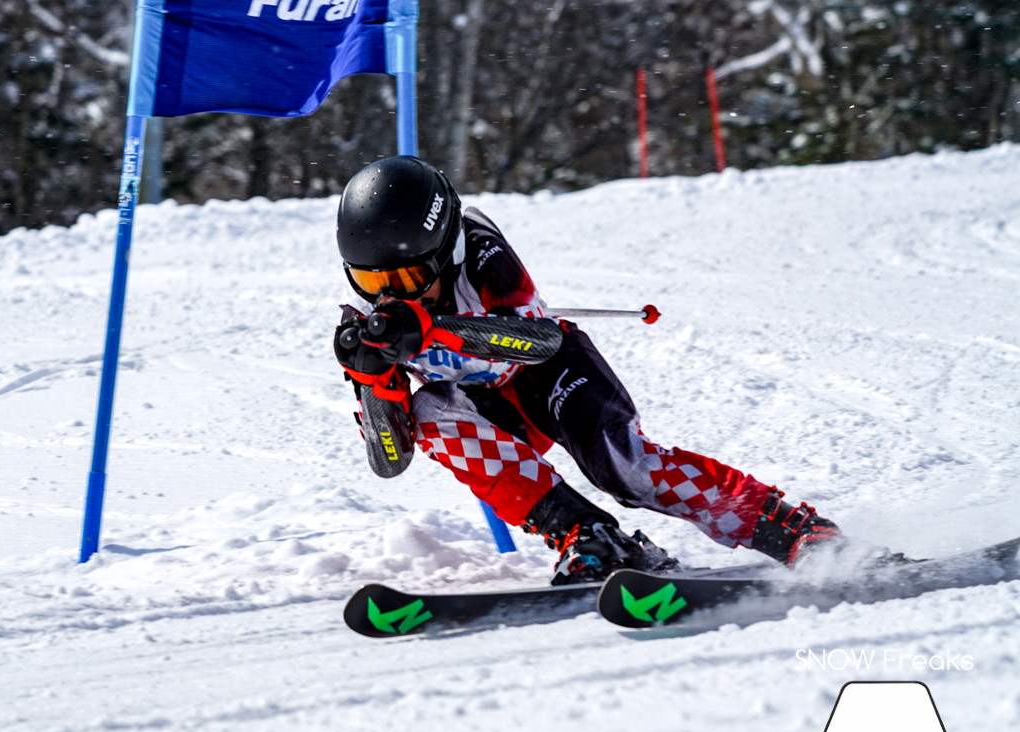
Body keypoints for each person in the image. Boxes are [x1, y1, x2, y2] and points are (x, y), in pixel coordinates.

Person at [332, 155, 847, 585]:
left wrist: (432, 327)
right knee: (429, 409)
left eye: (408, 274)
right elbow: (390, 459)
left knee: (623, 468)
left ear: (447, 250)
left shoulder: (481, 248)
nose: (392, 294)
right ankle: (587, 536)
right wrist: (375, 381)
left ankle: (788, 528)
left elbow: (538, 341)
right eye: (370, 280)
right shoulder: (367, 322)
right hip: (490, 413)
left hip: (552, 374)